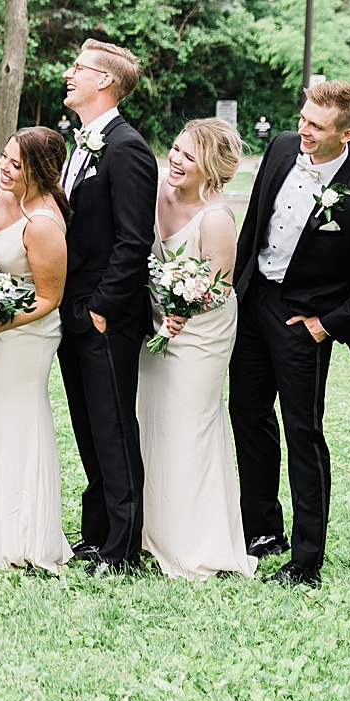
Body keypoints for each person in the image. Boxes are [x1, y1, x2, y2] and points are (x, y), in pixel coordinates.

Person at [230, 81, 350, 587]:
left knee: (303, 433)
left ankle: (306, 559)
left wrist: (326, 325)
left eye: (315, 125)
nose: (302, 130)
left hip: (302, 325)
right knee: (247, 415)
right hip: (254, 305)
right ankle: (262, 530)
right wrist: (236, 290)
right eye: (303, 118)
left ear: (347, 133)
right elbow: (254, 224)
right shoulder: (281, 147)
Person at [54, 40, 158, 575]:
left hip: (105, 316)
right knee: (88, 427)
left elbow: (134, 239)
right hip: (71, 309)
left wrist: (101, 308)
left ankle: (123, 548)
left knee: (114, 430)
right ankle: (96, 535)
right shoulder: (82, 145)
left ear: (105, 82)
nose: (68, 74)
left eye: (79, 68)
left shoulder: (126, 148)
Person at [136, 119, 255, 581]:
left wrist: (184, 310)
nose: (176, 159)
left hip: (202, 333)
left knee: (189, 428)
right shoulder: (158, 193)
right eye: (176, 149)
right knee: (155, 423)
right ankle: (154, 532)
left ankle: (196, 543)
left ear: (211, 168)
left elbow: (220, 288)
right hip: (158, 324)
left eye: (189, 156)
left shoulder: (216, 218)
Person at [0, 127, 72, 573]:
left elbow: (49, 298)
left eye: (16, 164)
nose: (4, 168)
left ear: (39, 171)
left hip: (25, 334)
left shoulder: (43, 223)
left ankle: (22, 540)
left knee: (16, 427)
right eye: (4, 158)